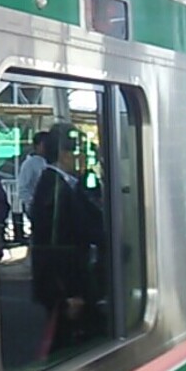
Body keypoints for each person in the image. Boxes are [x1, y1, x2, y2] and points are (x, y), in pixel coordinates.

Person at [30, 123, 106, 357]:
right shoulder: (54, 190)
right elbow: (53, 245)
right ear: (64, 154)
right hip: (66, 286)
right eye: (77, 152)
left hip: (70, 283)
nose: (81, 158)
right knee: (65, 345)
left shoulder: (63, 184)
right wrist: (66, 294)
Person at [15, 131, 50, 219]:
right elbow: (23, 188)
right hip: (37, 209)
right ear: (37, 145)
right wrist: (34, 203)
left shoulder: (50, 161)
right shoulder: (29, 164)